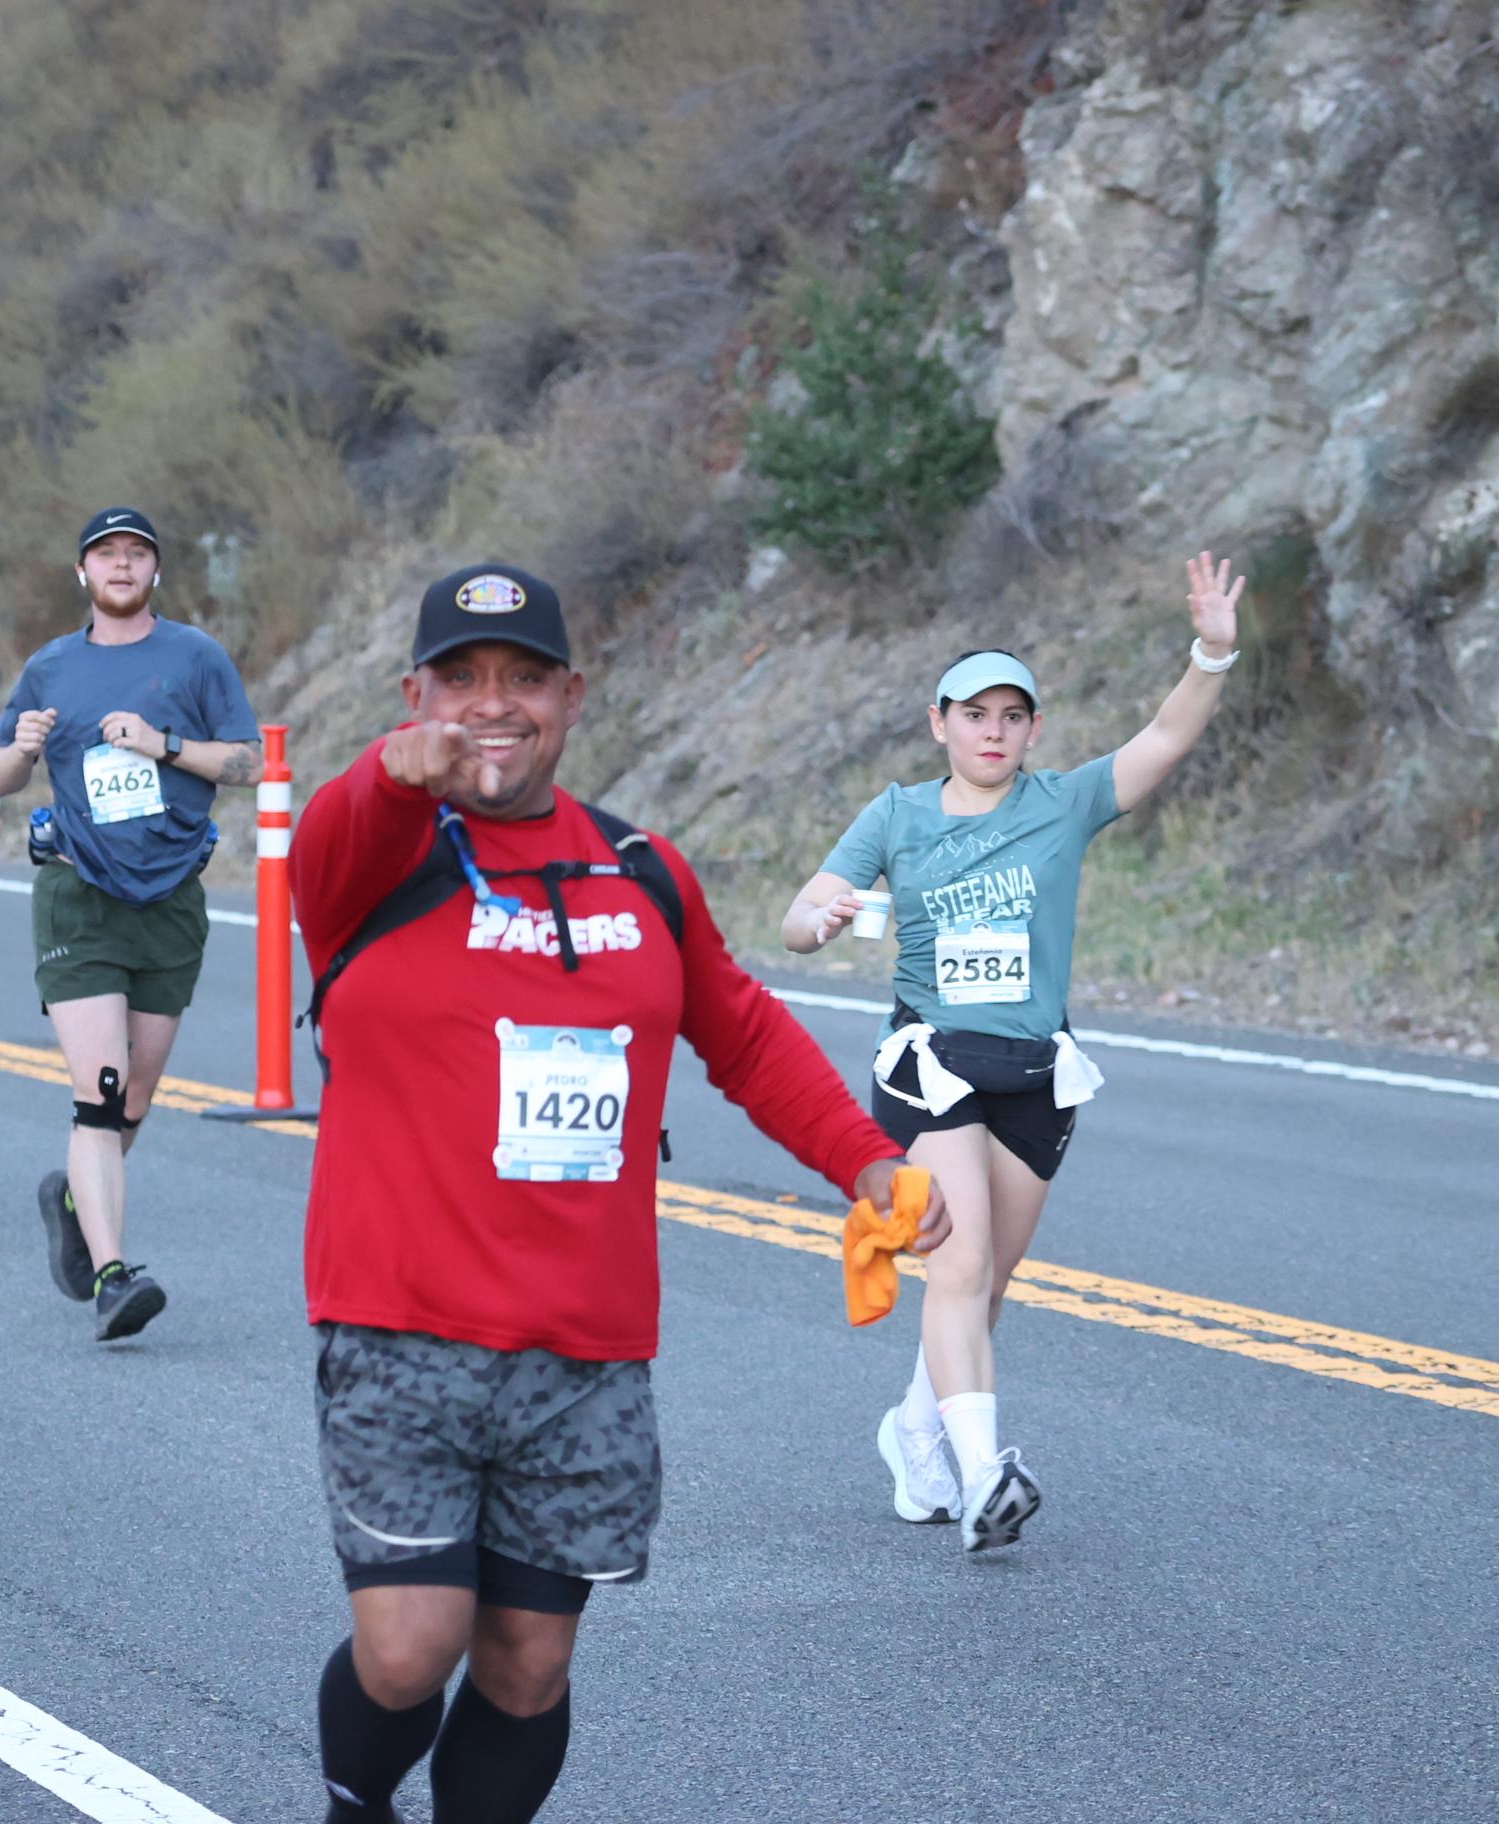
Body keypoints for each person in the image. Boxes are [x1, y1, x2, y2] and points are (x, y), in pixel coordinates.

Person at [291, 563, 942, 1824]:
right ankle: (353, 1810)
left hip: (584, 1349)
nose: (494, 704)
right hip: (399, 1327)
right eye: (461, 678)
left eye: (524, 678)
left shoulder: (640, 873)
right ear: (415, 695)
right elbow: (337, 825)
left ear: (572, 698)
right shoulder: (369, 855)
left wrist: (869, 1160)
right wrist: (390, 773)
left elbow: (744, 1035)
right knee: (411, 1648)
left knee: (529, 1664)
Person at [782, 552, 1245, 1552]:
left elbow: (1167, 737)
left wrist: (1211, 652)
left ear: (1033, 730)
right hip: (931, 1063)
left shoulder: (1064, 804)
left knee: (987, 1282)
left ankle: (914, 1432)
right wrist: (821, 921)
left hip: (1035, 1068)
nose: (992, 731)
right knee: (959, 1263)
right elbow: (798, 918)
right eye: (974, 715)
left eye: (1011, 717)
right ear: (939, 724)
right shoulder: (897, 814)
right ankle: (985, 1474)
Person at [0, 507, 261, 1340]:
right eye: (107, 555)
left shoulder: (195, 656)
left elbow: (248, 761)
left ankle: (74, 1200)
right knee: (99, 1091)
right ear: (84, 573)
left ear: (155, 570)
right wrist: (21, 750)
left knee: (135, 1094)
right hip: (79, 893)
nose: (122, 565)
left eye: (137, 553)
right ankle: (112, 1276)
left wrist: (162, 744)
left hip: (170, 898)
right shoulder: (51, 666)